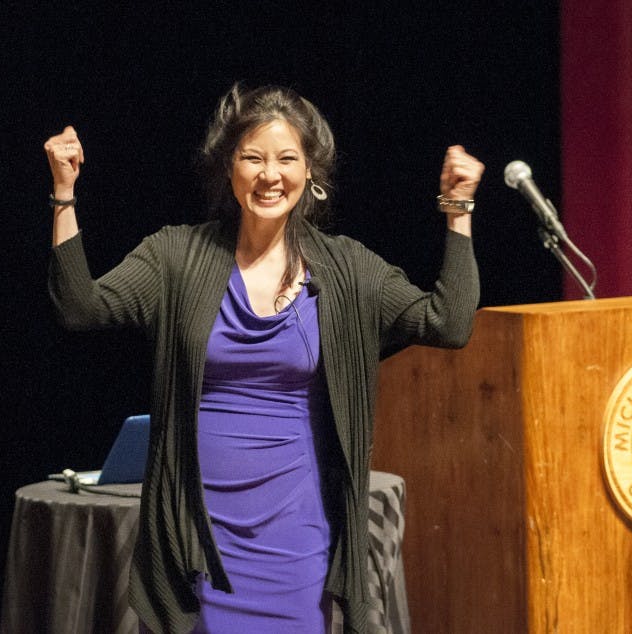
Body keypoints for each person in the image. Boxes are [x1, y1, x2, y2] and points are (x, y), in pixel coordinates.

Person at [44, 83, 482, 634]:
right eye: (252, 157)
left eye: (286, 159)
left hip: (298, 527)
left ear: (310, 172)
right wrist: (65, 194)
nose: (269, 175)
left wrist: (458, 210)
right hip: (199, 528)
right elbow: (81, 307)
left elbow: (449, 322)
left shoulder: (347, 269)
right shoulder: (176, 255)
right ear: (228, 169)